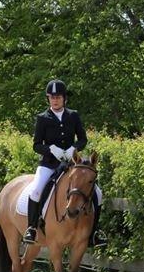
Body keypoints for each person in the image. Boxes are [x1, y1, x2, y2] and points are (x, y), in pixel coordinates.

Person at [23, 79, 105, 247]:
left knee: (97, 193)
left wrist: (73, 148)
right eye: (52, 97)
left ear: (64, 99)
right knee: (36, 190)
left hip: (71, 165)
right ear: (48, 99)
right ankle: (31, 228)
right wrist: (51, 149)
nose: (55, 100)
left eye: (58, 97)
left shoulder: (73, 115)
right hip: (48, 164)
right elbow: (36, 145)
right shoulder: (42, 118)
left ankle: (94, 232)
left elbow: (82, 139)